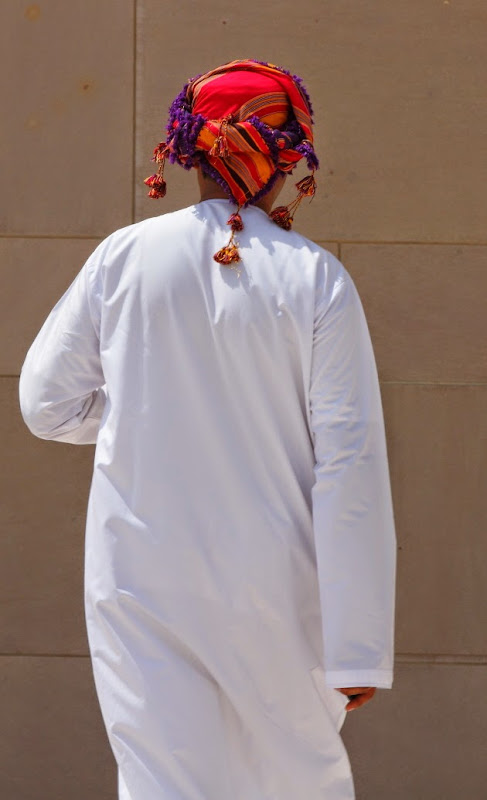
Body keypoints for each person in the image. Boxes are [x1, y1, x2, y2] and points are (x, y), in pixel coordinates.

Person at [19, 59, 396, 800]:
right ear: (285, 158)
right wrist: (358, 652)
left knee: (162, 784)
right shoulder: (314, 277)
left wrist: (147, 416)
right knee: (294, 782)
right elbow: (348, 462)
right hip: (280, 593)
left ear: (189, 151)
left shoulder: (121, 258)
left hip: (139, 583)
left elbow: (46, 405)